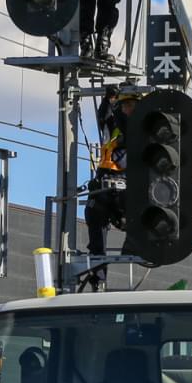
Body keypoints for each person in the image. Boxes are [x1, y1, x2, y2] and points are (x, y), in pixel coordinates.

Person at [83, 83, 138, 290]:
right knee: (93, 212)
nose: (128, 109)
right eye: (125, 105)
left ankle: (135, 245)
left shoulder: (147, 129)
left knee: (133, 207)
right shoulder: (113, 124)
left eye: (132, 105)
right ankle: (98, 272)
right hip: (107, 182)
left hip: (131, 188)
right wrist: (109, 98)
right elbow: (103, 116)